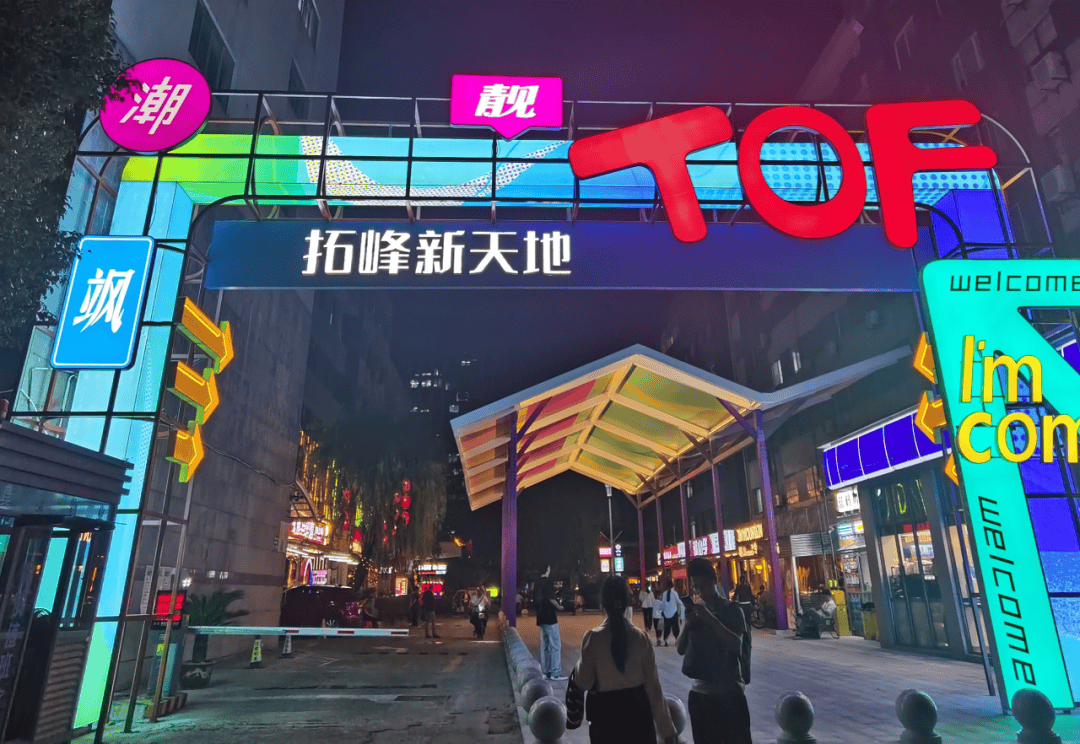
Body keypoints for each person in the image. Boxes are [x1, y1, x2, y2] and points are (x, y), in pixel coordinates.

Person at [570, 576, 678, 744]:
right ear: (626, 603)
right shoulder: (641, 638)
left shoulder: (593, 639)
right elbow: (654, 689)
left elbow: (582, 681)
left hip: (605, 721)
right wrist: (667, 730)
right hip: (639, 717)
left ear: (603, 604)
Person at [677, 558, 752, 744]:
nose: (699, 591)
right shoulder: (696, 611)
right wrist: (687, 625)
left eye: (702, 585)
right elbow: (680, 649)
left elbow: (736, 645)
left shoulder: (732, 610)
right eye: (695, 587)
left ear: (714, 580)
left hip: (729, 695)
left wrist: (711, 619)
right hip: (700, 695)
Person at [533, 566, 566, 681]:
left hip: (540, 618)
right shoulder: (548, 582)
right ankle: (555, 673)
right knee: (556, 646)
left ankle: (546, 672)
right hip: (550, 617)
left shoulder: (536, 583)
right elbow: (551, 599)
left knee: (545, 646)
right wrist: (559, 607)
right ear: (547, 569)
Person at [659, 579, 681, 646]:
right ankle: (677, 640)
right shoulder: (674, 593)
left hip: (666, 613)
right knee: (675, 627)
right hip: (674, 612)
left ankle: (665, 640)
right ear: (673, 586)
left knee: (667, 627)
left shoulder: (664, 594)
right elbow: (678, 601)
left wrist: (662, 611)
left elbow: (663, 604)